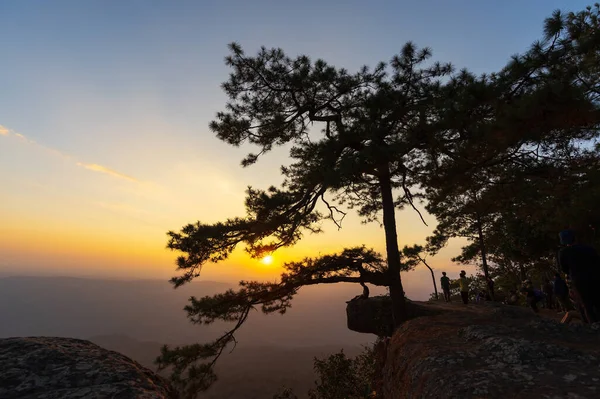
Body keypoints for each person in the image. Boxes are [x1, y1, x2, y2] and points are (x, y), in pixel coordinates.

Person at [557, 229, 600, 323]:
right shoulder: (589, 249)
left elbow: (564, 269)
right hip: (596, 277)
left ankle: (593, 327)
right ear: (575, 238)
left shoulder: (563, 252)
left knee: (586, 305)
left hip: (579, 281)